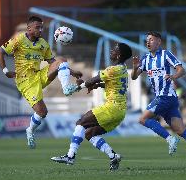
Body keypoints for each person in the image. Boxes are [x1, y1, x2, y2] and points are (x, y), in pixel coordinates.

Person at [0, 16, 82, 149]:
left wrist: (73, 73)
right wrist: (6, 71)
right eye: (37, 27)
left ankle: (66, 88)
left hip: (39, 75)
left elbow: (54, 64)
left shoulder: (43, 44)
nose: (40, 30)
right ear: (29, 28)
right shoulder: (18, 39)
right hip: (25, 81)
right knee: (42, 112)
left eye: (41, 27)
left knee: (61, 60)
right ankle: (30, 130)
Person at [131, 31, 186, 168]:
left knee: (143, 119)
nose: (148, 42)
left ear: (158, 42)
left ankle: (169, 139)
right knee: (181, 130)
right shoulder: (145, 59)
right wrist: (134, 67)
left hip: (166, 96)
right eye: (147, 40)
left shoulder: (165, 54)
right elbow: (134, 77)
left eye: (151, 39)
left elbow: (181, 70)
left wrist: (173, 77)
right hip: (168, 99)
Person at [51, 43, 132, 171]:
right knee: (90, 133)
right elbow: (112, 86)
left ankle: (70, 156)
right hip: (120, 112)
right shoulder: (122, 69)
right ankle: (113, 156)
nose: (111, 50)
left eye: (114, 49)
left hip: (112, 107)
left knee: (81, 122)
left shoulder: (113, 69)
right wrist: (97, 86)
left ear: (119, 54)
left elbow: (92, 80)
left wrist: (76, 88)